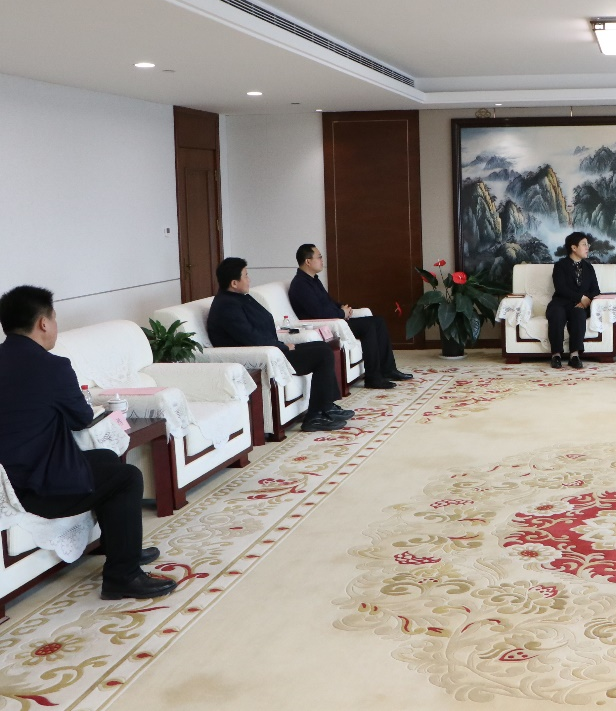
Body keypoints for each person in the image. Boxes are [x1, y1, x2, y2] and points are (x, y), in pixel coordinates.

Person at [0, 286, 176, 601]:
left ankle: (119, 545)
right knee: (127, 477)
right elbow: (80, 418)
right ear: (43, 323)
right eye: (54, 319)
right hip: (36, 487)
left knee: (105, 459)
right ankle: (123, 576)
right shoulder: (52, 367)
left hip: (9, 478)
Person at [206, 257, 352, 432]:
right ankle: (315, 417)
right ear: (234, 283)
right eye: (246, 275)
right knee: (322, 355)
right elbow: (251, 338)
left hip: (272, 349)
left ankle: (326, 406)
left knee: (322, 347)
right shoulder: (226, 307)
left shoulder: (240, 298)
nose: (249, 279)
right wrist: (281, 347)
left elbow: (261, 328)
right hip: (263, 357)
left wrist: (280, 344)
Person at [287, 244, 414, 389]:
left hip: (335, 320)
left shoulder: (314, 280)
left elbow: (329, 302)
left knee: (378, 321)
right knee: (368, 326)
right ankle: (373, 378)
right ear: (308, 261)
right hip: (324, 326)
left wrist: (343, 307)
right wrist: (342, 313)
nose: (322, 260)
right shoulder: (300, 285)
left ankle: (388, 369)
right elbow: (318, 313)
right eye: (319, 257)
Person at [547, 232, 602, 369]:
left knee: (578, 314)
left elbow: (596, 290)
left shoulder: (589, 268)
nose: (587, 247)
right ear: (574, 247)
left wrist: (587, 300)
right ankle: (556, 355)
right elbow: (560, 288)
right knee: (557, 313)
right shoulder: (560, 265)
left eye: (587, 244)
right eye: (584, 244)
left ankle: (574, 355)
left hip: (578, 305)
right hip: (560, 303)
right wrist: (580, 297)